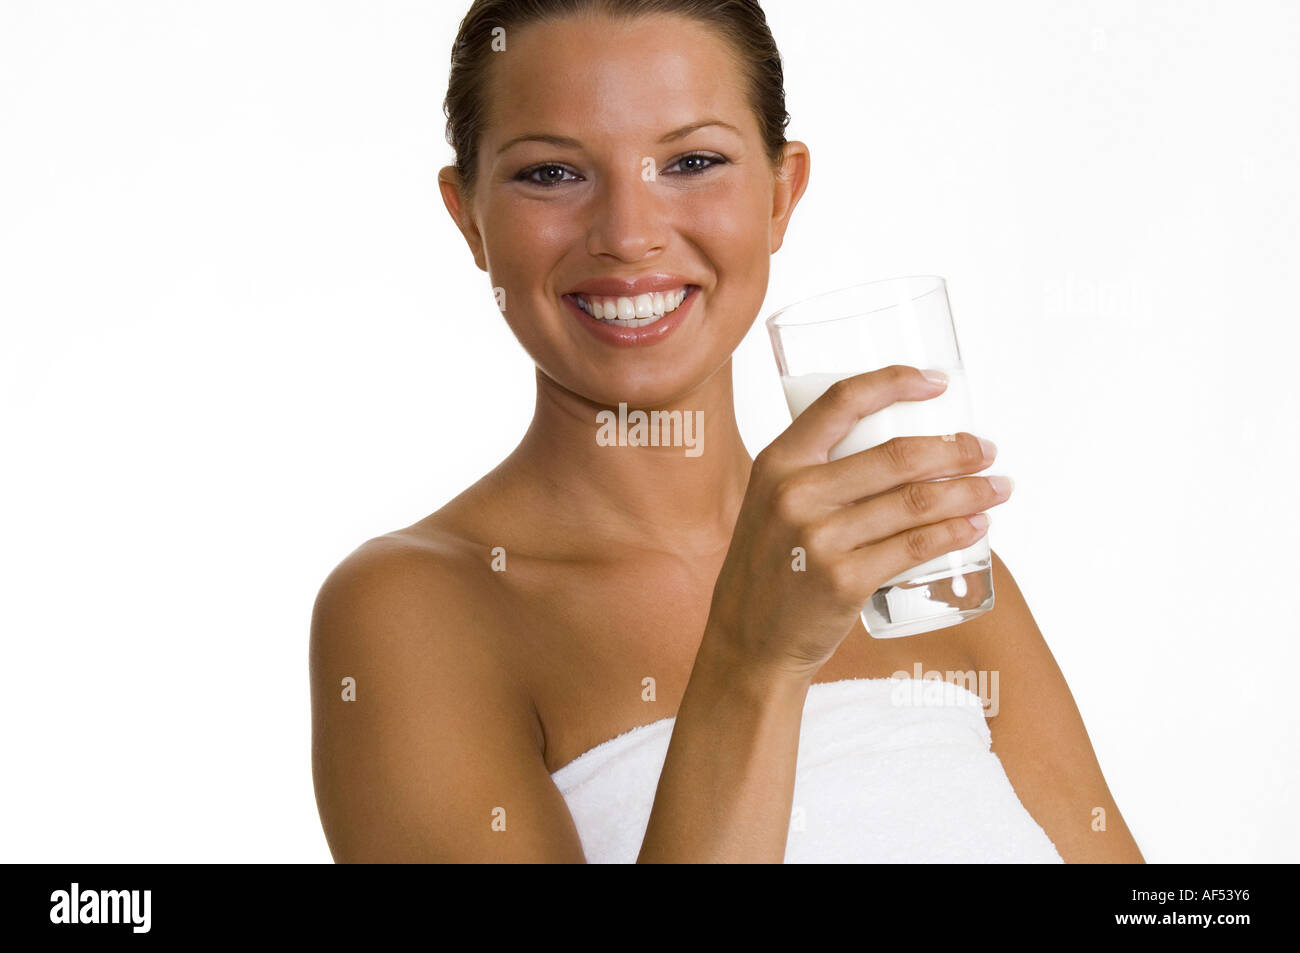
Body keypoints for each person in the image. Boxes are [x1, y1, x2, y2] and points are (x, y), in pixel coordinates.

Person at [309, 0, 1144, 863]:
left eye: (694, 161)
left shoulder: (915, 556)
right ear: (468, 216)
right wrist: (754, 661)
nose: (630, 236)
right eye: (552, 174)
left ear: (782, 194)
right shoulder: (415, 611)